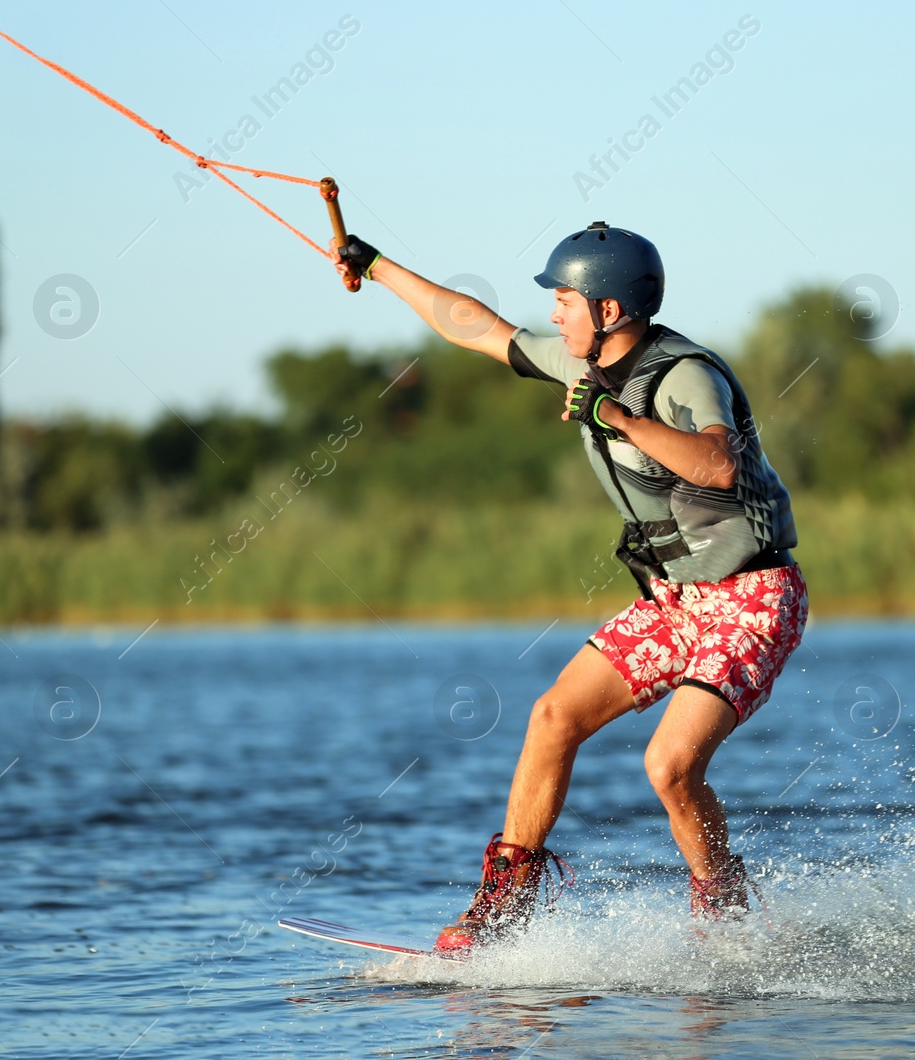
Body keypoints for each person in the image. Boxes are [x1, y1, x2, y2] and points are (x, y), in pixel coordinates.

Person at [332, 222, 807, 954]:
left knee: (670, 765)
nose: (553, 314)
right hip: (675, 603)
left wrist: (612, 414)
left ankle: (728, 919)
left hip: (753, 597)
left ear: (608, 310)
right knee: (553, 715)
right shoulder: (580, 359)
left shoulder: (683, 375)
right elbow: (477, 328)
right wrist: (378, 265)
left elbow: (716, 466)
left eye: (563, 299)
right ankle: (507, 901)